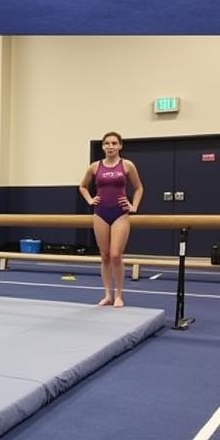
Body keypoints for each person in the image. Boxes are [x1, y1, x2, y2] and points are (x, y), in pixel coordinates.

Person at [79, 131, 144, 308]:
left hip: (120, 213)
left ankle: (119, 295)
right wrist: (90, 200)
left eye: (114, 143)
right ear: (103, 146)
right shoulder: (95, 167)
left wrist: (134, 206)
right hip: (100, 213)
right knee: (105, 256)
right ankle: (107, 294)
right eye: (107, 143)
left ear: (120, 146)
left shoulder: (127, 165)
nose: (110, 146)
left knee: (116, 255)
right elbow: (83, 186)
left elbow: (138, 188)